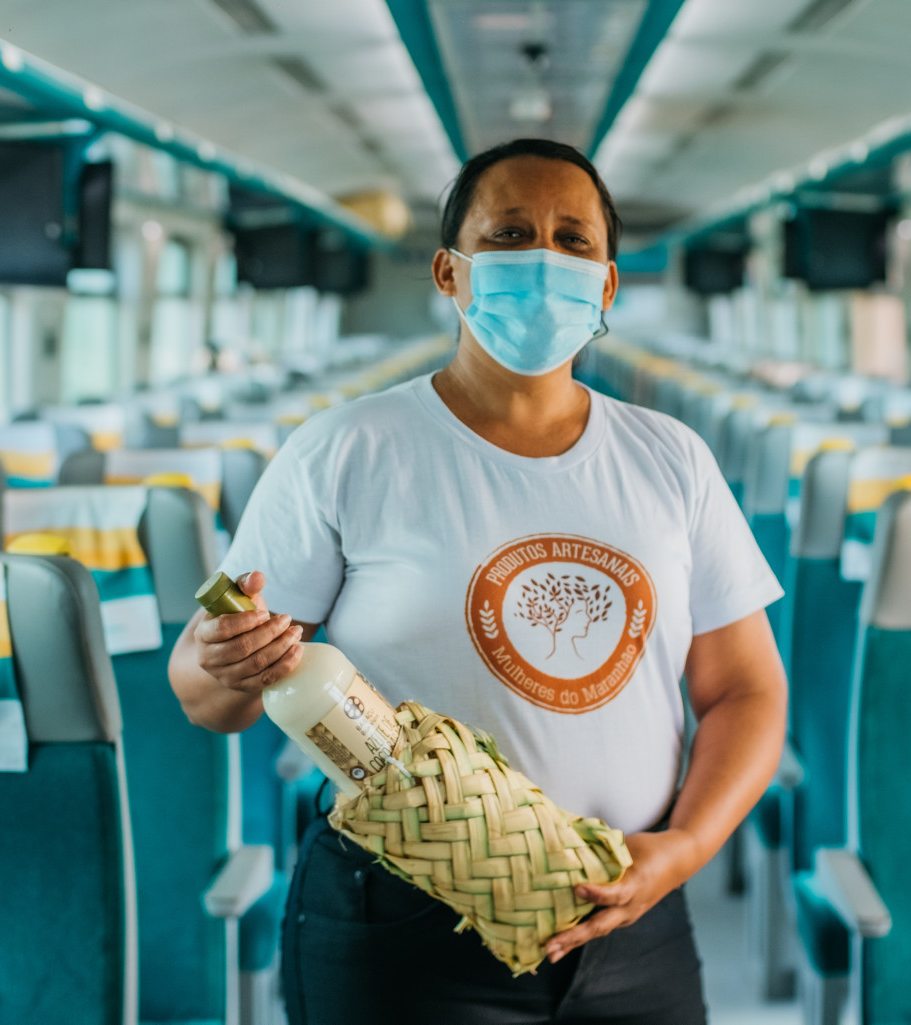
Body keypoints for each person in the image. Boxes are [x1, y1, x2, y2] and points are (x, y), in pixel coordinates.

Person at [169, 137, 787, 1025]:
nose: (542, 259)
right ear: (448, 273)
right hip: (407, 923)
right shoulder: (345, 450)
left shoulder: (671, 459)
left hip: (633, 912)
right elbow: (204, 698)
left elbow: (746, 690)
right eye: (508, 235)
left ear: (607, 285)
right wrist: (215, 661)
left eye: (574, 240)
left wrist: (683, 849)